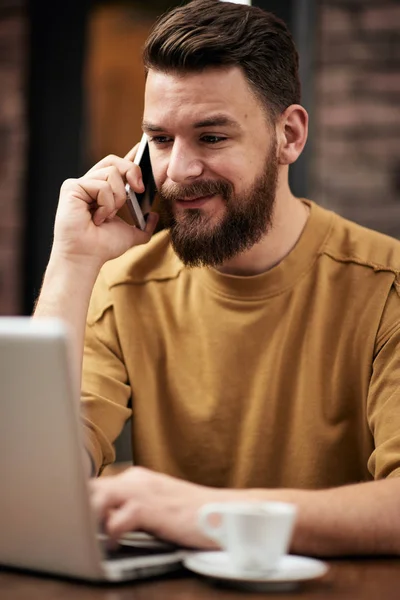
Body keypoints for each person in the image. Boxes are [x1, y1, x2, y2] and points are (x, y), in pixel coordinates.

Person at [34, 0, 400, 556]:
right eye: (159, 139)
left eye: (211, 137)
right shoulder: (122, 287)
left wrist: (204, 513)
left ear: (290, 136)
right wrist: (72, 260)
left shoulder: (386, 287)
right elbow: (33, 482)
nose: (179, 171)